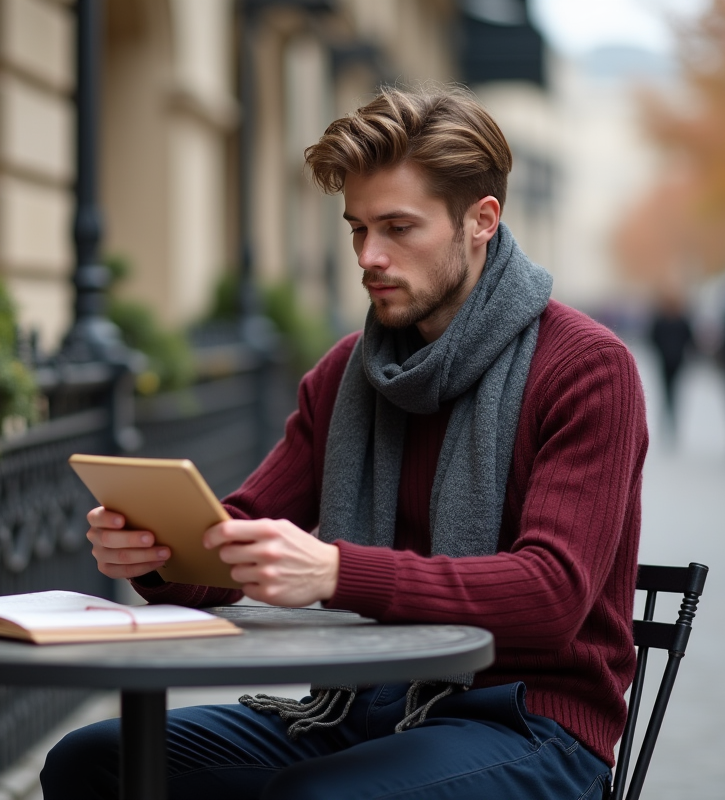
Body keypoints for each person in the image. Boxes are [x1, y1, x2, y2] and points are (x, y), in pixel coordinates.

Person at [42, 86, 647, 800]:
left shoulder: (585, 368)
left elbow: (552, 595)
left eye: (398, 227)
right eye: (357, 228)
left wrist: (335, 571)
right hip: (360, 707)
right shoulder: (347, 374)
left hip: (526, 723)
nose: (370, 256)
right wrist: (162, 553)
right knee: (91, 759)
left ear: (481, 220)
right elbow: (236, 539)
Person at [648, 290, 695, 439]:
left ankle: (667, 422)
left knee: (666, 392)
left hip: (666, 360)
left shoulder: (661, 320)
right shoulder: (681, 320)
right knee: (673, 392)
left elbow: (652, 338)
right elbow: (690, 339)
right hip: (677, 360)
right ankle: (672, 422)